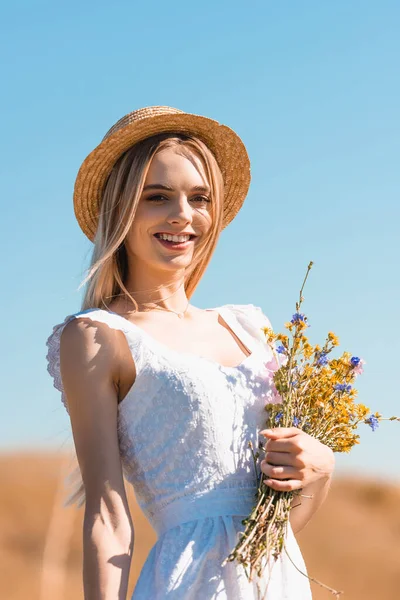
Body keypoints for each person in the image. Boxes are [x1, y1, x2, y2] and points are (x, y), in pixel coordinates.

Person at [46, 106, 335, 600]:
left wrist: (321, 468)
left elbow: (279, 524)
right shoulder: (99, 337)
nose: (182, 215)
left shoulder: (249, 328)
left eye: (199, 198)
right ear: (121, 210)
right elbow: (108, 516)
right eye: (157, 197)